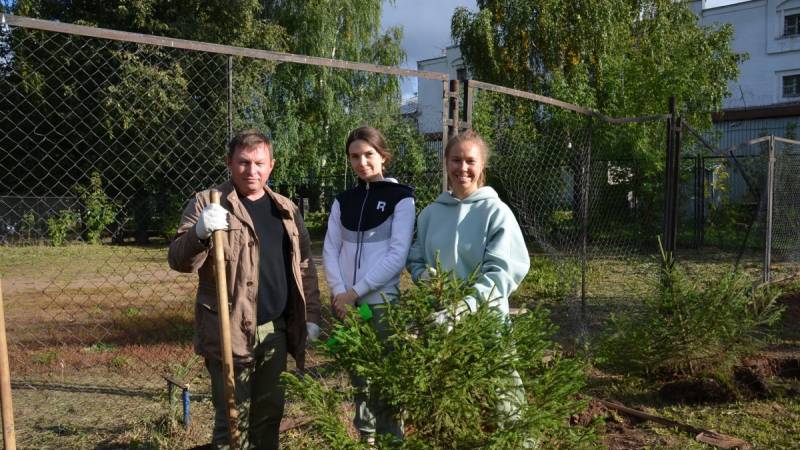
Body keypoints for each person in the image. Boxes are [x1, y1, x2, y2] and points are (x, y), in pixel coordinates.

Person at [168, 130, 321, 450]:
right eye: (243, 162)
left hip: (275, 331)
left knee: (269, 415)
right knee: (232, 422)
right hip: (228, 329)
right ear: (229, 163)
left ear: (272, 166)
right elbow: (179, 260)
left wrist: (313, 316)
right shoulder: (207, 203)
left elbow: (304, 266)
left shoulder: (286, 210)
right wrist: (199, 232)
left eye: (259, 163)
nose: (251, 171)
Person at [406, 130, 530, 421]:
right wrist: (424, 276)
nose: (462, 168)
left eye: (470, 161)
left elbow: (501, 272)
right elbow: (415, 258)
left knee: (502, 392)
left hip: (486, 321)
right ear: (446, 163)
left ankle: (516, 440)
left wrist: (464, 307)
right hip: (440, 321)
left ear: (481, 166)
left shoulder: (496, 212)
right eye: (456, 160)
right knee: (445, 399)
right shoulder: (430, 215)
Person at [323, 126, 415, 443]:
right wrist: (339, 294)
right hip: (349, 307)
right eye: (354, 156)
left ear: (383, 156)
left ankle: (392, 437)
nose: (362, 162)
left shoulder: (401, 198)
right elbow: (330, 250)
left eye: (368, 155)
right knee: (360, 374)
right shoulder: (342, 201)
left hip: (381, 305)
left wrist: (354, 292)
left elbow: (397, 255)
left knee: (386, 374)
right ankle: (367, 437)